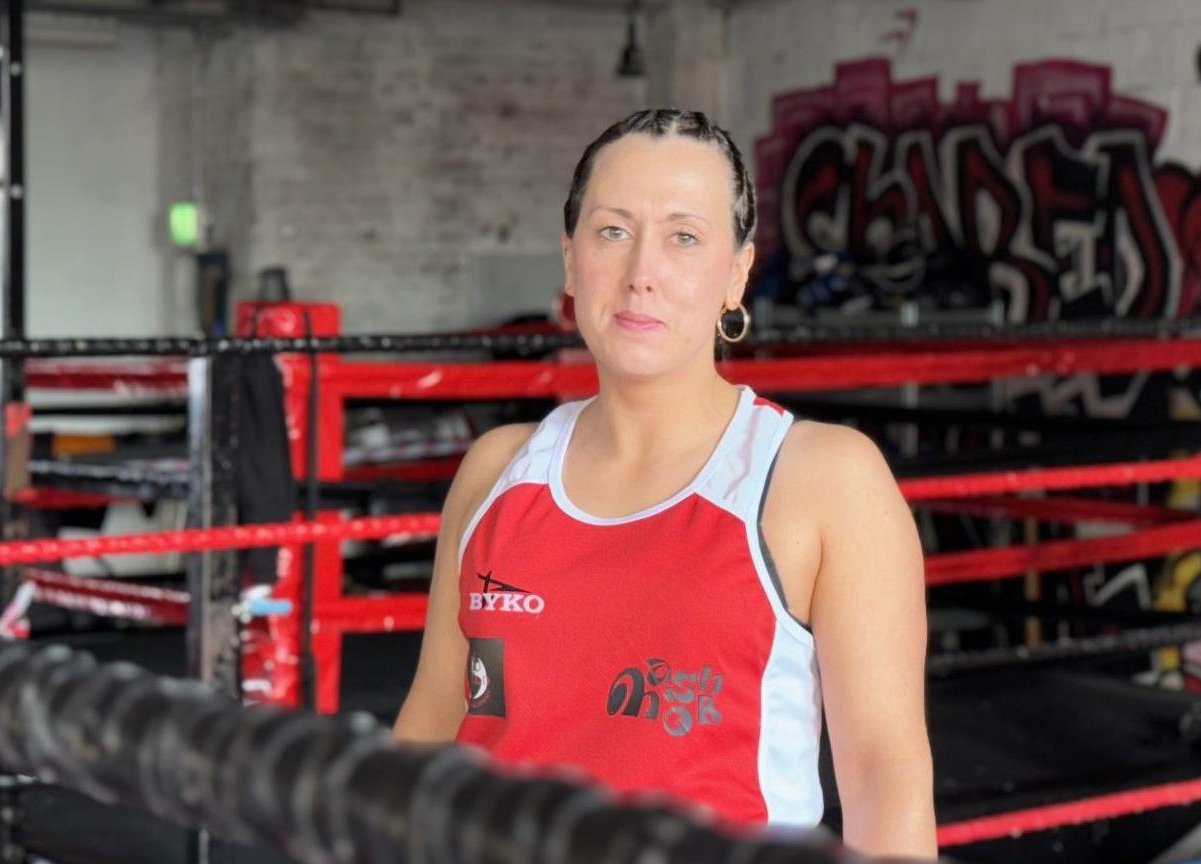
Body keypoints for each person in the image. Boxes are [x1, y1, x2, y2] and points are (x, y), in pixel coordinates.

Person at [392, 109, 936, 859]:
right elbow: (431, 725)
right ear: (570, 258)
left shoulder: (820, 479)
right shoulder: (497, 471)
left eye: (684, 236)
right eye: (612, 231)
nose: (641, 271)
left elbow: (885, 777)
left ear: (737, 272)